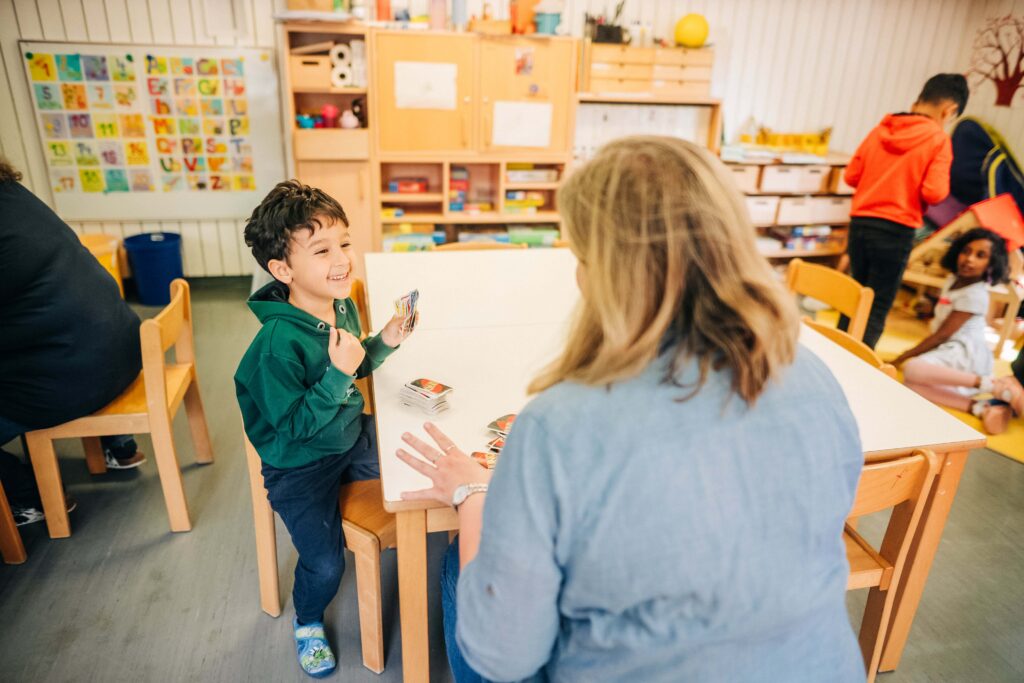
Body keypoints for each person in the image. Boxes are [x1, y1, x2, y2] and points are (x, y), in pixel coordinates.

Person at [394, 137, 866, 682]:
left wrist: (473, 495)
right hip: (817, 666)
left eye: (581, 257)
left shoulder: (561, 424)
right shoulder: (811, 373)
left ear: (609, 272)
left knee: (462, 563)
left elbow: (502, 655)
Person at [234, 180, 415, 678]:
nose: (341, 259)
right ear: (282, 270)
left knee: (417, 455)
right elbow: (293, 429)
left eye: (344, 242)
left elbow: (355, 364)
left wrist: (386, 341)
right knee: (327, 563)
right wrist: (338, 374)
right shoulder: (274, 347)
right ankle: (308, 620)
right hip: (299, 467)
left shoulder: (340, 304)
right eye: (322, 250)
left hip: (346, 434)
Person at [0, 158, 146, 527]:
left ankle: (30, 497)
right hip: (123, 349)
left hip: (78, 376)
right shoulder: (13, 193)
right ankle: (120, 444)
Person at [840, 73, 969, 348]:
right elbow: (933, 193)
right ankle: (858, 364)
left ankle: (835, 352)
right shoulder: (938, 139)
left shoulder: (882, 128)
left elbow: (851, 176)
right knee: (877, 302)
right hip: (896, 229)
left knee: (853, 294)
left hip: (861, 223)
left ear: (918, 101)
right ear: (949, 110)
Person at [895, 228, 1024, 434]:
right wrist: (931, 306)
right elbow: (949, 310)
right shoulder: (953, 280)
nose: (969, 259)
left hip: (965, 354)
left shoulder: (975, 294)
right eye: (966, 251)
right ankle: (979, 407)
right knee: (909, 385)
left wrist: (902, 357)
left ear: (991, 264)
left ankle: (994, 385)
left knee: (911, 369)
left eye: (980, 255)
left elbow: (942, 335)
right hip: (950, 350)